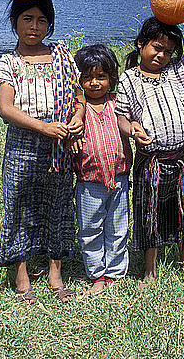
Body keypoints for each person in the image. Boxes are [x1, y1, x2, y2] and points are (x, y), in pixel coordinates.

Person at [115, 0, 184, 286]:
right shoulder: (129, 79)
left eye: (168, 51)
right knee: (149, 213)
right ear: (141, 44)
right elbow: (122, 116)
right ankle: (150, 270)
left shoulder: (178, 70)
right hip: (152, 159)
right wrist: (133, 129)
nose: (161, 55)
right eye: (156, 47)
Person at [0, 0, 85, 304]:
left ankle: (55, 274)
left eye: (42, 20)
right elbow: (6, 109)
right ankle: (21, 276)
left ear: (50, 24)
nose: (35, 27)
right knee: (19, 205)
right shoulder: (10, 61)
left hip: (60, 145)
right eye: (28, 19)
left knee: (58, 206)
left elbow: (78, 95)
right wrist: (43, 127)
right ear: (15, 22)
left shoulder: (61, 55)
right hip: (23, 144)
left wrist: (78, 116)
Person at [73, 44, 132, 295]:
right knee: (89, 229)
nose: (94, 83)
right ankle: (97, 273)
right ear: (79, 80)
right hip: (89, 181)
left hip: (119, 178)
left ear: (111, 78)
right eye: (87, 77)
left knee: (118, 226)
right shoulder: (76, 109)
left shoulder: (118, 104)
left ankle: (115, 272)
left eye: (101, 76)